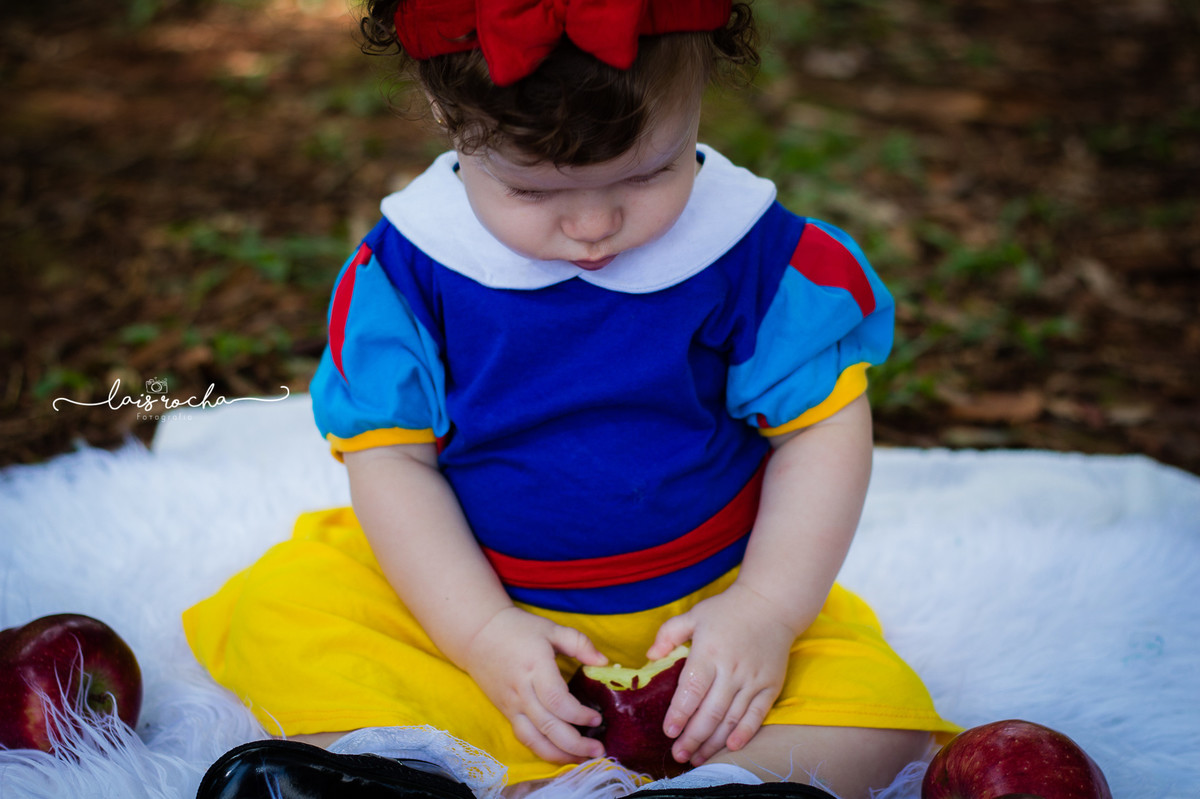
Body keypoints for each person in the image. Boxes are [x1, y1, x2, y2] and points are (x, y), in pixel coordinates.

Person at [184, 2, 959, 798]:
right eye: (529, 189)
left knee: (880, 722)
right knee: (285, 615)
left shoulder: (750, 255)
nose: (594, 224)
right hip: (471, 598)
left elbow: (820, 433)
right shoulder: (411, 273)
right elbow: (395, 468)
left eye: (651, 171)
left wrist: (766, 611)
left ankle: (724, 784)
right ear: (447, 117)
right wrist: (481, 634)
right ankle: (411, 771)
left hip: (710, 603)